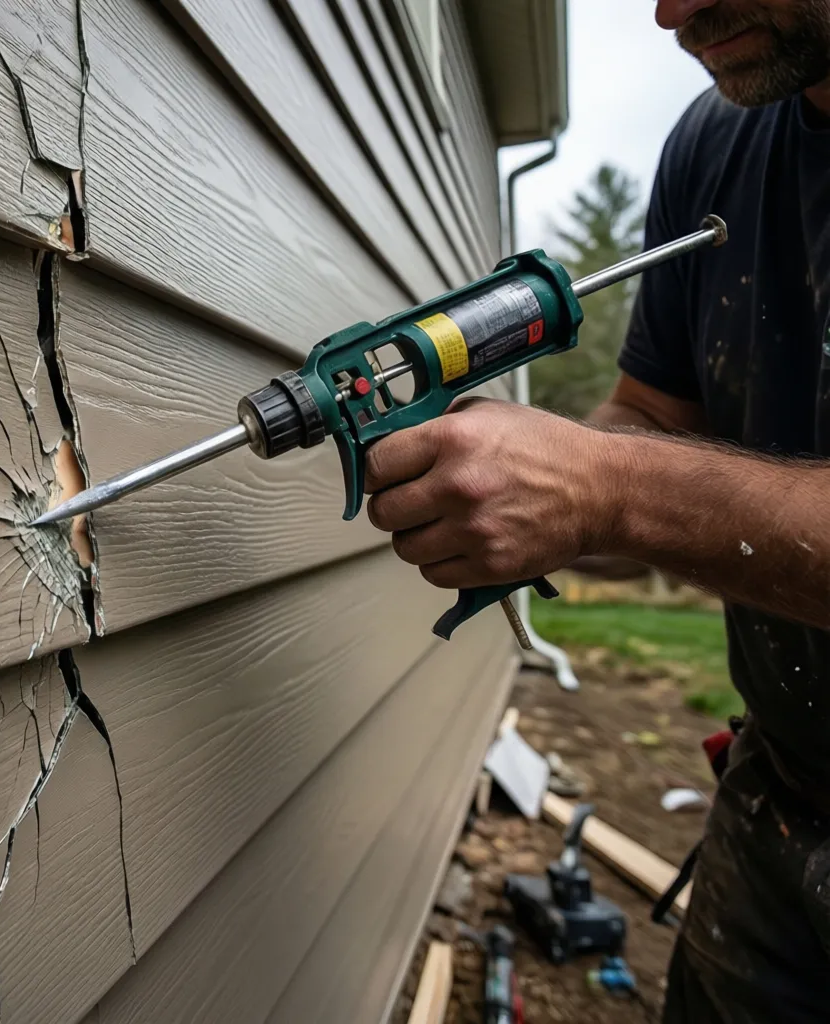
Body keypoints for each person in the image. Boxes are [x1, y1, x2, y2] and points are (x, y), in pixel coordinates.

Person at [363, 1, 830, 1020]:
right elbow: (650, 423)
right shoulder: (716, 138)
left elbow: (629, 480)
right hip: (781, 795)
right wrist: (530, 485)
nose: (669, 10)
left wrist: (605, 489)